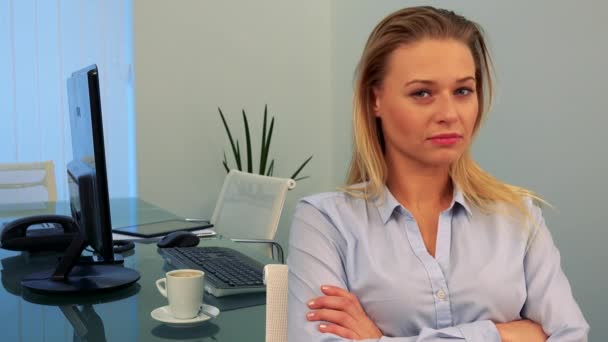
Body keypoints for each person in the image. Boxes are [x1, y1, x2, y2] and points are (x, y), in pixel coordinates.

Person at [287, 6, 589, 342]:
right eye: (422, 93)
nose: (448, 114)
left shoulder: (519, 215)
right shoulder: (325, 221)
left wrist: (379, 341)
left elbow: (571, 335)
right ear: (376, 100)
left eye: (462, 91)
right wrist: (502, 334)